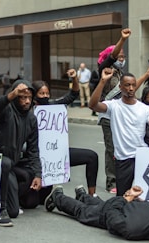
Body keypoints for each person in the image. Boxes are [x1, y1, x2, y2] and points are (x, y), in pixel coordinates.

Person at [89, 68, 149, 197]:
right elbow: (92, 105)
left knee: (145, 196)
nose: (131, 88)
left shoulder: (145, 109)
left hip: (142, 157)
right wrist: (103, 81)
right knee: (123, 198)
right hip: (123, 159)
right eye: (127, 85)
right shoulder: (113, 106)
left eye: (133, 85)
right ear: (120, 87)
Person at [0, 79, 42, 227]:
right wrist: (12, 94)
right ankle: (1, 209)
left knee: (27, 178)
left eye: (29, 98)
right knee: (5, 163)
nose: (27, 101)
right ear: (15, 97)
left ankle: (2, 200)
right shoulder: (6, 110)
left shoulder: (32, 119)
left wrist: (38, 174)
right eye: (22, 97)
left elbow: (33, 150)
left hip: (10, 165)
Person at [32, 68, 99, 197]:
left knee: (92, 156)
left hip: (57, 153)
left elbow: (72, 95)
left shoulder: (54, 107)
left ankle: (92, 196)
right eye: (41, 94)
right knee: (38, 199)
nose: (45, 96)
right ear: (34, 95)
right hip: (38, 157)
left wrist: (74, 78)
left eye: (47, 93)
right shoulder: (29, 113)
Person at [44, 185, 149, 243]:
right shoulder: (133, 229)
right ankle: (58, 198)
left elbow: (148, 204)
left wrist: (133, 199)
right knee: (83, 212)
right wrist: (126, 198)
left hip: (127, 207)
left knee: (101, 205)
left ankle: (83, 195)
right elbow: (111, 215)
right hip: (119, 209)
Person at [96, 28, 131, 194]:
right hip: (108, 115)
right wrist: (122, 40)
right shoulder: (105, 69)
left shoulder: (121, 73)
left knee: (122, 147)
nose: (121, 58)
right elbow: (111, 56)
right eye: (119, 56)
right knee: (111, 149)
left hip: (121, 115)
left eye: (124, 56)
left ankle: (124, 178)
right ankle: (112, 182)